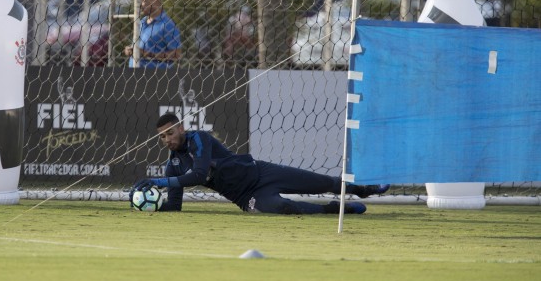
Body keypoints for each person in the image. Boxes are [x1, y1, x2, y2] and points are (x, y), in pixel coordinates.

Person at [132, 113, 390, 215]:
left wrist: (158, 182)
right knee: (283, 207)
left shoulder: (198, 138)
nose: (166, 139)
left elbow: (199, 174)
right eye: (162, 137)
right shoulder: (173, 166)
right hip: (246, 198)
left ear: (181, 128)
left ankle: (366, 188)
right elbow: (175, 206)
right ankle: (334, 209)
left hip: (261, 172)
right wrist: (145, 202)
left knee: (322, 181)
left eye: (170, 133)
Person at [124, 0, 182, 68]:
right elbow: (139, 47)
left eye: (144, 1)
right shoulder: (141, 22)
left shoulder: (167, 25)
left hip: (156, 77)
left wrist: (147, 54)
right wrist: (130, 50)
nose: (140, 5)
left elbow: (176, 55)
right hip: (134, 75)